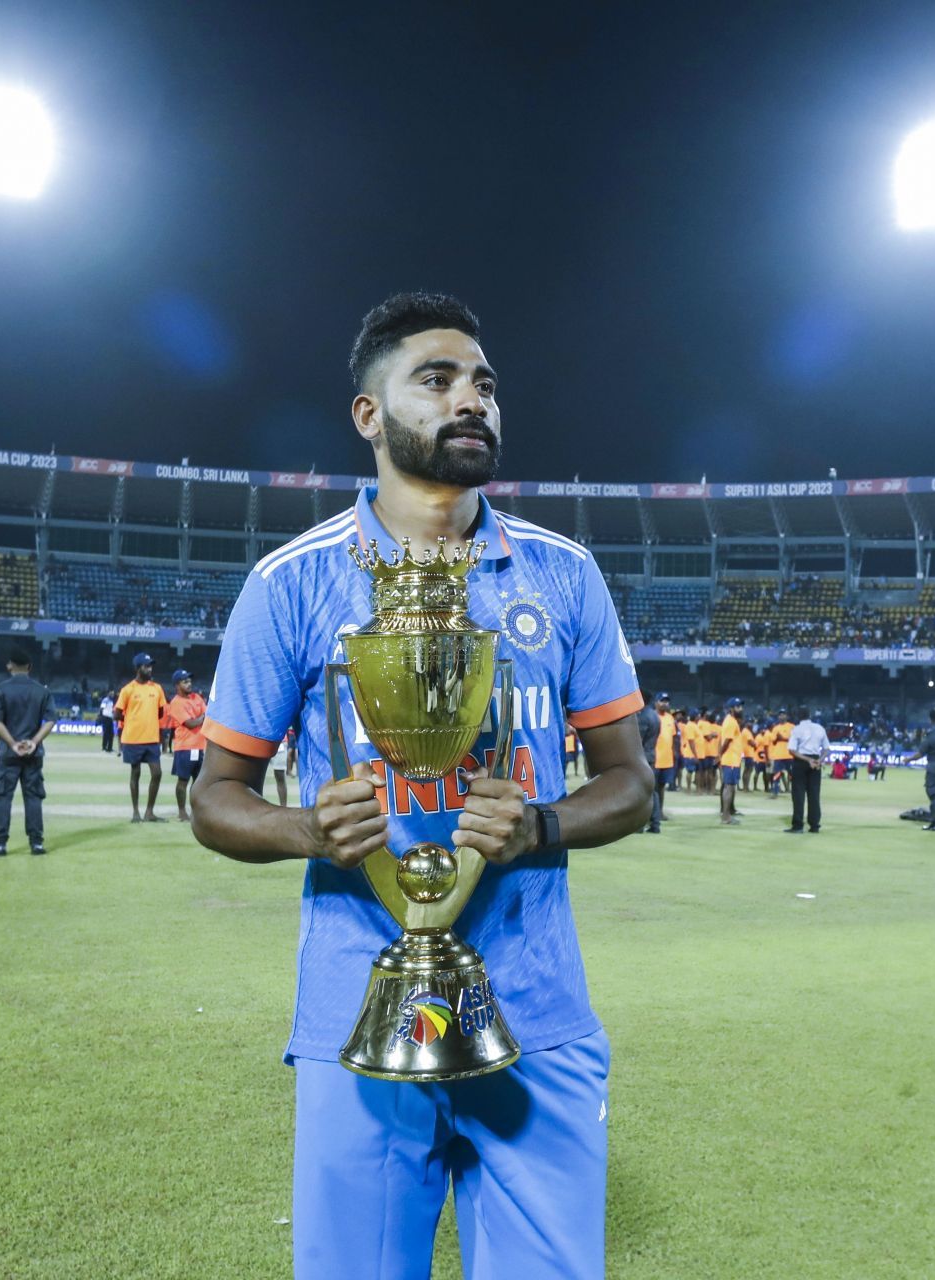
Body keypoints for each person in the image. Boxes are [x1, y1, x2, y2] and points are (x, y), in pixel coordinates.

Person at [188, 292, 652, 1277]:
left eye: (484, 383)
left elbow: (631, 784)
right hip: (357, 1013)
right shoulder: (292, 581)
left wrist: (541, 823)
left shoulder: (563, 575)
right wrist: (307, 829)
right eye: (436, 379)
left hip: (539, 1011)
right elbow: (215, 797)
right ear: (369, 413)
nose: (471, 398)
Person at [0, 648, 53, 856]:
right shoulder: (42, 691)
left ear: (9, 665)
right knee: (33, 797)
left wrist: (12, 744)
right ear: (30, 667)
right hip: (33, 755)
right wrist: (34, 742)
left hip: (7, 753)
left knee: (3, 797)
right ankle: (36, 843)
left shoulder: (0, 689)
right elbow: (51, 720)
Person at [114, 652, 166, 822]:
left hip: (151, 739)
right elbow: (116, 714)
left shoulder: (156, 688)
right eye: (146, 666)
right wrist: (130, 719)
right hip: (132, 739)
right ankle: (136, 812)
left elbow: (160, 712)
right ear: (137, 668)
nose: (149, 669)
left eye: (151, 665)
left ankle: (149, 812)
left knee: (157, 773)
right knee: (135, 773)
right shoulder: (128, 689)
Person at [163, 669, 207, 823]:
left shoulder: (197, 697)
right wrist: (202, 717)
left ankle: (197, 811)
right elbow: (190, 723)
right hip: (185, 748)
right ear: (177, 685)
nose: (189, 684)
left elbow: (206, 717)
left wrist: (201, 718)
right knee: (183, 781)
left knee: (199, 782)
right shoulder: (175, 702)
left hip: (201, 746)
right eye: (185, 681)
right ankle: (182, 812)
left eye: (189, 681)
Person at [784, 707, 827, 834]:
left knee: (798, 795)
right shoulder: (819, 728)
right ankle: (814, 825)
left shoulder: (796, 729)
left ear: (798, 716)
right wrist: (819, 760)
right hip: (816, 762)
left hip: (801, 761)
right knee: (814, 794)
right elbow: (826, 748)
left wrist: (807, 760)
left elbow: (791, 750)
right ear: (810, 715)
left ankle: (798, 825)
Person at [638, 692, 670, 833]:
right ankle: (655, 823)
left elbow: (639, 740)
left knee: (640, 791)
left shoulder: (644, 716)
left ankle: (639, 825)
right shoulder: (655, 716)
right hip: (652, 755)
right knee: (653, 791)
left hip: (643, 756)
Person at [717, 698, 744, 825]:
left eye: (741, 706)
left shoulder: (731, 721)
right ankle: (726, 816)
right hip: (730, 759)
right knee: (729, 787)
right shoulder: (731, 722)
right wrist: (719, 755)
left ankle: (727, 813)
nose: (741, 709)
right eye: (738, 706)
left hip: (733, 759)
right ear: (731, 708)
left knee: (729, 787)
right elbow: (726, 741)